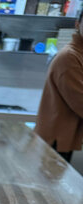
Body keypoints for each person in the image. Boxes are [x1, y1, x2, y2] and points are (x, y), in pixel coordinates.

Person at [34, 8, 83, 163]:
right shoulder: (69, 57)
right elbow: (80, 101)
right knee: (48, 178)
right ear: (77, 24)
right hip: (55, 139)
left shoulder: (79, 54)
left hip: (64, 137)